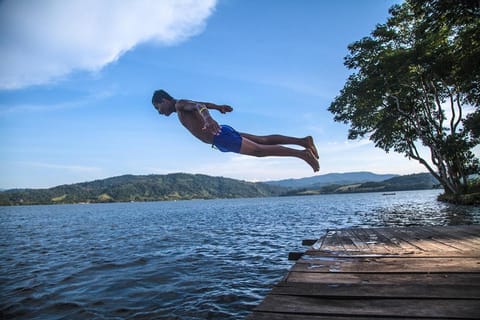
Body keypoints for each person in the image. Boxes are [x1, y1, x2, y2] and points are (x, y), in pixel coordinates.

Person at [151, 89, 320, 172]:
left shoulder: (179, 105)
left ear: (164, 100)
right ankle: (303, 141)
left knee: (259, 151)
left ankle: (302, 154)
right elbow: (202, 103)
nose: (159, 112)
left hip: (218, 136)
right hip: (221, 133)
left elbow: (199, 106)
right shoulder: (182, 105)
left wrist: (209, 119)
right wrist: (218, 107)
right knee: (262, 140)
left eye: (158, 107)